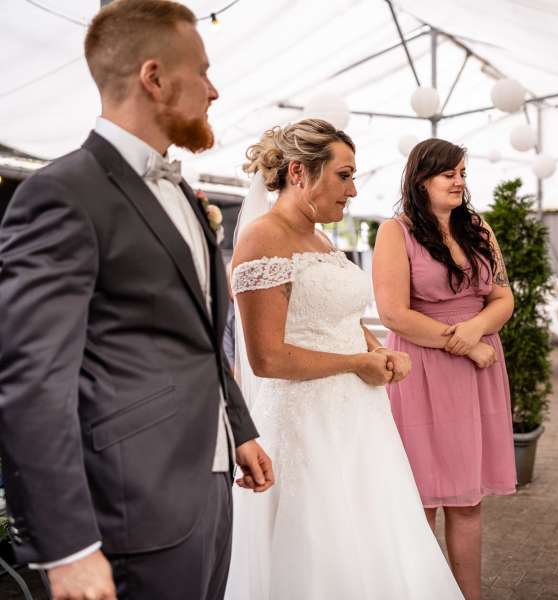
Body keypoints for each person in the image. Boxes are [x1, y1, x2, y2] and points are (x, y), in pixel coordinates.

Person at [0, 2, 274, 599]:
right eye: (202, 71)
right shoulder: (62, 193)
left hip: (210, 486)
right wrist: (66, 546)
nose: (213, 89)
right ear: (154, 77)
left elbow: (200, 338)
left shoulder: (183, 193)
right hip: (131, 508)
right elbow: (30, 382)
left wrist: (240, 429)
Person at [225, 121, 463, 600]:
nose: (353, 191)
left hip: (359, 419)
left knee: (374, 540)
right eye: (344, 176)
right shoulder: (261, 238)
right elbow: (266, 357)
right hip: (305, 424)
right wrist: (357, 363)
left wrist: (375, 349)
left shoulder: (320, 239)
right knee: (322, 545)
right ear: (299, 172)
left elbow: (337, 318)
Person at [372, 138, 516, 600]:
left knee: (468, 500)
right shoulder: (395, 232)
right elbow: (393, 313)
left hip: (478, 371)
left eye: (462, 174)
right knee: (422, 500)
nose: (458, 182)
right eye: (448, 174)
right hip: (424, 370)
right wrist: (467, 346)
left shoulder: (477, 228)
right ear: (421, 180)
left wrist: (476, 330)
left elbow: (503, 298)